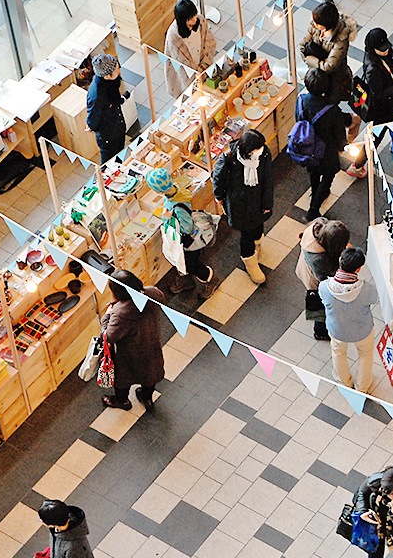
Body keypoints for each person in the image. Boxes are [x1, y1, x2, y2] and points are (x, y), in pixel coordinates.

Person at [144, 168, 218, 299]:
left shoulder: (177, 207)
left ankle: (209, 278)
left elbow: (186, 227)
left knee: (191, 264)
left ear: (158, 191)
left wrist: (167, 217)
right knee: (183, 262)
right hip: (185, 241)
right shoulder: (176, 190)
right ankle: (186, 279)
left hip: (188, 242)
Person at [212, 129, 274, 284]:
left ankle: (257, 246)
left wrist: (267, 203)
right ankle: (250, 262)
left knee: (258, 226)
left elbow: (268, 179)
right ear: (247, 149)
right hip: (238, 203)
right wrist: (219, 197)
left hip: (258, 200)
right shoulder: (229, 158)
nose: (260, 150)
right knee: (246, 233)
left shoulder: (264, 154)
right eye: (256, 148)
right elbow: (218, 179)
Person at [100, 270, 166, 411]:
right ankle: (147, 397)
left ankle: (122, 401)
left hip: (129, 353)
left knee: (123, 378)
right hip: (151, 344)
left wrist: (106, 316)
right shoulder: (153, 293)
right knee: (150, 374)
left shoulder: (120, 313)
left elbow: (108, 337)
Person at [319, 247, 378, 393]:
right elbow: (373, 299)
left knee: (338, 353)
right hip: (362, 330)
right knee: (365, 354)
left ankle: (343, 381)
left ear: (340, 262)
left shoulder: (324, 287)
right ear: (358, 269)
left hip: (337, 329)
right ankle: (362, 386)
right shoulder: (367, 289)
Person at [299, 68, 349, 221]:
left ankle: (315, 191)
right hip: (326, 150)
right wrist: (342, 147)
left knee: (314, 172)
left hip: (308, 146)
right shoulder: (331, 110)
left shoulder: (301, 100)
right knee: (328, 176)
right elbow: (339, 133)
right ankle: (313, 209)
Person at [297, 218, 351, 341]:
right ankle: (320, 332)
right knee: (321, 306)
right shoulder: (318, 259)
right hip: (314, 281)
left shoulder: (318, 225)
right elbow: (325, 279)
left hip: (305, 267)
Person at [300, 2, 358, 103]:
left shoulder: (341, 39)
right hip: (316, 75)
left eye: (317, 23)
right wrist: (315, 61)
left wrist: (309, 59)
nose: (314, 24)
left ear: (326, 24)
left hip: (334, 80)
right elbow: (302, 47)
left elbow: (329, 66)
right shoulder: (315, 27)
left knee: (330, 103)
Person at [164, 0, 217, 98]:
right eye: (190, 18)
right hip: (188, 71)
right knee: (191, 97)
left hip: (201, 62)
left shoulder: (200, 20)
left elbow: (210, 43)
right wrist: (197, 75)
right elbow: (182, 63)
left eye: (194, 15)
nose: (194, 20)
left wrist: (204, 67)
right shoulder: (174, 35)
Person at [86, 54, 129, 164]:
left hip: (117, 124)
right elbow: (93, 117)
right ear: (106, 76)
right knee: (108, 163)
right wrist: (91, 125)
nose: (119, 71)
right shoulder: (96, 95)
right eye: (116, 69)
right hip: (107, 134)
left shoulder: (112, 82)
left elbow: (115, 99)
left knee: (120, 155)